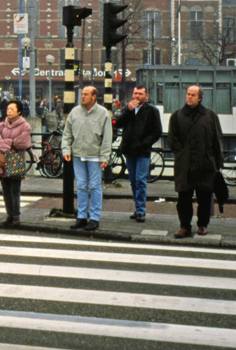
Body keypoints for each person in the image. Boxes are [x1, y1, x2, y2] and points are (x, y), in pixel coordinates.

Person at [167, 85, 224, 238]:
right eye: (188, 94)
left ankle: (202, 225)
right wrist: (182, 153)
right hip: (184, 165)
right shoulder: (177, 116)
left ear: (200, 98)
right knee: (184, 198)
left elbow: (217, 140)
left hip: (205, 164)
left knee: (204, 197)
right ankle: (185, 226)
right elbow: (172, 139)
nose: (189, 97)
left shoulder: (210, 116)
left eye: (193, 95)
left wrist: (218, 163)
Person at [62, 86, 113, 231]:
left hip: (95, 156)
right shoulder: (75, 112)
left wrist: (105, 156)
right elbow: (67, 134)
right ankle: (82, 217)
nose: (82, 97)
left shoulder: (103, 114)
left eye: (86, 94)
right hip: (78, 154)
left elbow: (107, 137)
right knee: (82, 186)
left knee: (95, 186)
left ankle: (95, 218)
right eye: (82, 94)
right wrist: (66, 149)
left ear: (94, 96)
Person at [115, 84, 162, 223]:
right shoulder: (128, 108)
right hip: (129, 150)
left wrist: (144, 144)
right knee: (133, 181)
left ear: (146, 96)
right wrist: (128, 111)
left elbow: (157, 131)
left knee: (141, 180)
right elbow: (118, 123)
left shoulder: (152, 110)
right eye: (135, 93)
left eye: (140, 94)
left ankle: (141, 211)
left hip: (142, 150)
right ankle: (138, 208)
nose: (137, 96)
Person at [0, 98, 32, 226]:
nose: (9, 111)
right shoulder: (1, 125)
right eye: (8, 109)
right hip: (2, 160)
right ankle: (9, 214)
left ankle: (16, 216)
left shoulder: (25, 126)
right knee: (5, 190)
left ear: (19, 111)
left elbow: (23, 143)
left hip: (15, 160)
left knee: (15, 190)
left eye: (12, 109)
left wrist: (5, 143)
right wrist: (11, 144)